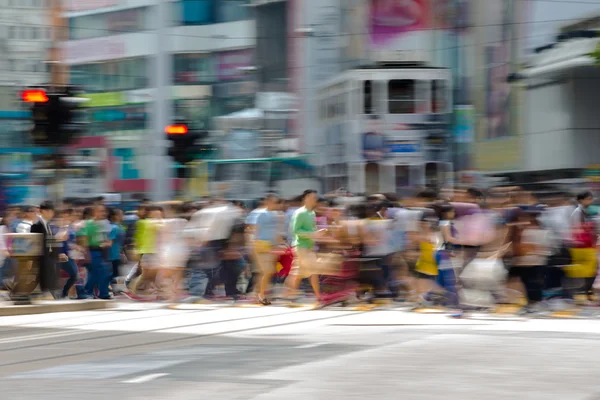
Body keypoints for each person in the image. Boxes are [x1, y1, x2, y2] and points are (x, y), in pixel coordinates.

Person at [285, 189, 322, 302]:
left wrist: (318, 233)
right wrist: (312, 234)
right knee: (313, 272)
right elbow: (296, 231)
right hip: (301, 246)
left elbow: (311, 229)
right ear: (305, 198)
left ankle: (289, 295)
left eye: (315, 197)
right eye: (311, 197)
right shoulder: (300, 213)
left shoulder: (312, 213)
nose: (314, 200)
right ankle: (319, 298)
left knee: (297, 273)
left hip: (308, 247)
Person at [253, 193, 284, 305]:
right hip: (263, 246)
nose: (276, 204)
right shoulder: (261, 214)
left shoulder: (277, 215)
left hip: (273, 247)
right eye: (274, 202)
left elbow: (277, 232)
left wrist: (280, 244)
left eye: (277, 202)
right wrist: (256, 245)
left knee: (267, 273)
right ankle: (261, 295)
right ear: (268, 202)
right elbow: (256, 231)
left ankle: (260, 294)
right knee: (268, 271)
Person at [78, 204, 112, 299]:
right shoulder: (89, 224)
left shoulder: (103, 224)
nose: (103, 213)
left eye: (104, 211)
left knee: (98, 273)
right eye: (100, 211)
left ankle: (90, 292)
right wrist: (86, 253)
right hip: (92, 251)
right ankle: (95, 292)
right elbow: (84, 238)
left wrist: (106, 243)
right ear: (94, 212)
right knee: (99, 273)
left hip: (102, 252)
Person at [30, 201, 62, 298]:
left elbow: (50, 242)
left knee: (51, 281)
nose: (52, 214)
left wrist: (57, 254)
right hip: (42, 259)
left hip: (49, 258)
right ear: (44, 211)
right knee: (43, 282)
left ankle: (50, 294)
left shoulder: (47, 225)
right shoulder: (36, 225)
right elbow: (36, 243)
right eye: (51, 211)